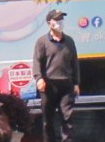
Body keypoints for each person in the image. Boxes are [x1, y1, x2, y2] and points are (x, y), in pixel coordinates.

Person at [32, 9, 82, 142]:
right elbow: (37, 61)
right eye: (57, 20)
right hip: (49, 85)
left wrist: (76, 83)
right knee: (47, 121)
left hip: (67, 85)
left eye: (62, 19)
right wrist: (39, 78)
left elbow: (74, 62)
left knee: (67, 118)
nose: (60, 22)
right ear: (50, 23)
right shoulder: (42, 42)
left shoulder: (69, 41)